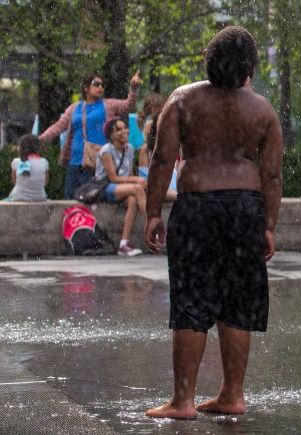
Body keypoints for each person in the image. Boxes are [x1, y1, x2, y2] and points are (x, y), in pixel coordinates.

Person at [143, 25, 284, 420]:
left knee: (191, 301)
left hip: (197, 207)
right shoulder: (262, 111)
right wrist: (268, 224)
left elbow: (161, 159)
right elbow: (272, 176)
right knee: (237, 302)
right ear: (249, 67)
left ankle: (183, 400)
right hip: (245, 209)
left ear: (209, 59)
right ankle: (232, 394)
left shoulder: (183, 100)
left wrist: (154, 212)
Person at [40, 71, 141, 199]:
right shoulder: (74, 108)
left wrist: (133, 89)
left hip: (96, 163)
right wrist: (40, 140)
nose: (100, 88)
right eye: (96, 84)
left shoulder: (108, 104)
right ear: (86, 88)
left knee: (91, 200)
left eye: (102, 85)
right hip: (75, 162)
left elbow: (128, 105)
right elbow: (58, 127)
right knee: (70, 200)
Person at [95, 118, 147, 257]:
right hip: (105, 188)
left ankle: (123, 244)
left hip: (122, 188)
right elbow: (113, 178)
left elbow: (128, 174)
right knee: (137, 189)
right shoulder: (106, 150)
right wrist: (136, 180)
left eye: (125, 128)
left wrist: (134, 180)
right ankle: (153, 228)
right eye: (119, 129)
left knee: (133, 200)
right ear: (111, 135)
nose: (124, 131)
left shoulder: (129, 148)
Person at [5, 134, 49, 202]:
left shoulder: (16, 162)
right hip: (40, 197)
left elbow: (14, 181)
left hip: (18, 197)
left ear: (21, 148)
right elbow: (45, 182)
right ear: (38, 147)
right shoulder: (44, 162)